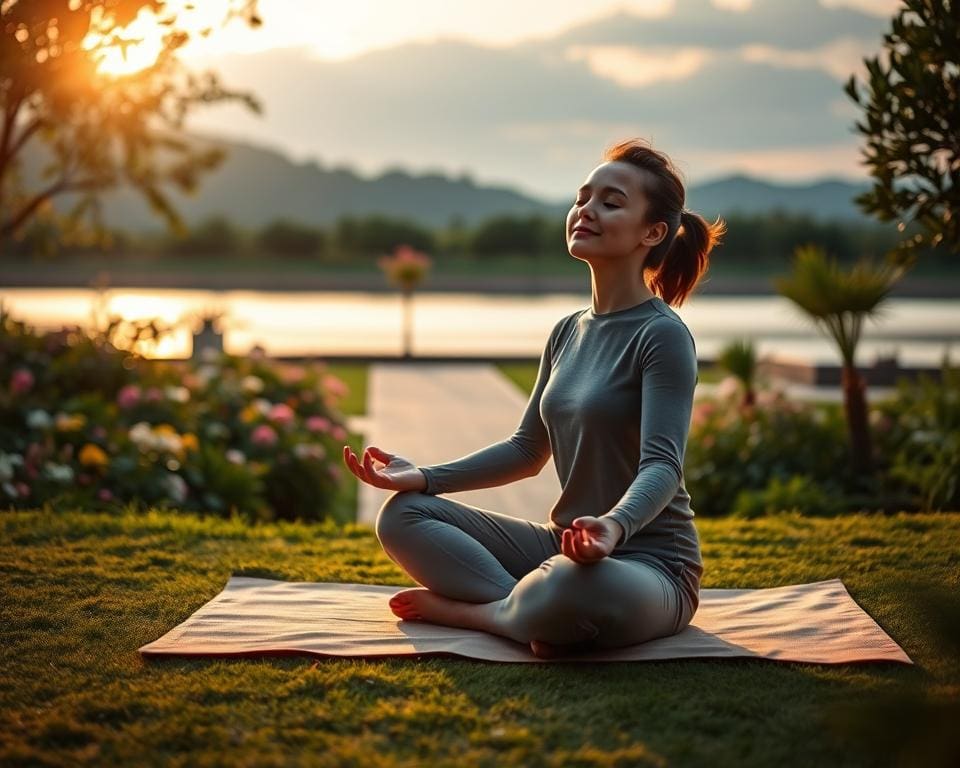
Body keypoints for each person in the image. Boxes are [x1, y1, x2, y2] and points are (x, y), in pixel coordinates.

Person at [342, 137, 725, 659]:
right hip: (562, 545)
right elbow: (527, 450)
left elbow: (662, 465)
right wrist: (427, 477)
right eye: (582, 198)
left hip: (650, 567)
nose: (586, 211)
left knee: (574, 585)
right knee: (402, 515)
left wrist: (613, 527)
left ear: (652, 232)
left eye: (610, 203)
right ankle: (529, 610)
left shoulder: (662, 335)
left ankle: (477, 613)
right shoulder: (568, 330)